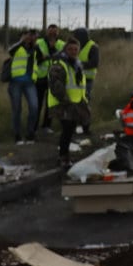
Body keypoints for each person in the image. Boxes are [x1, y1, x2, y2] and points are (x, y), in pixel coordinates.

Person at [47, 37, 89, 168]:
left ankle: (65, 157)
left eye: (76, 49)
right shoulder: (59, 64)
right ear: (65, 50)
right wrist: (66, 101)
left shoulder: (77, 64)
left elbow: (79, 85)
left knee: (70, 131)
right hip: (63, 104)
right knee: (66, 130)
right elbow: (56, 86)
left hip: (75, 103)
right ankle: (62, 157)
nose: (73, 51)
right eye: (70, 49)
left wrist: (83, 100)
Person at [6, 30, 41, 144]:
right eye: (27, 36)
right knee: (17, 109)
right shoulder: (17, 47)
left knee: (34, 107)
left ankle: (30, 133)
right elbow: (10, 51)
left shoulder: (35, 48)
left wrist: (35, 43)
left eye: (31, 36)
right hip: (16, 82)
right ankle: (17, 135)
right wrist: (22, 41)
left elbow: (41, 58)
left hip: (30, 82)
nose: (29, 38)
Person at [34, 24, 65, 134]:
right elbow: (36, 58)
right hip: (40, 77)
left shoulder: (62, 44)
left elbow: (62, 57)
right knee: (37, 103)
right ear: (47, 32)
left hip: (54, 77)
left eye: (55, 32)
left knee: (50, 103)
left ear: (58, 33)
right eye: (50, 32)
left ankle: (46, 125)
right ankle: (34, 126)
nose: (52, 34)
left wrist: (52, 49)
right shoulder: (39, 42)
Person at [73, 27, 99, 134]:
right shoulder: (75, 46)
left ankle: (86, 127)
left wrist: (78, 65)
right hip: (74, 79)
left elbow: (94, 63)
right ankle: (74, 126)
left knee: (84, 103)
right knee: (74, 103)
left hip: (87, 79)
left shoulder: (93, 47)